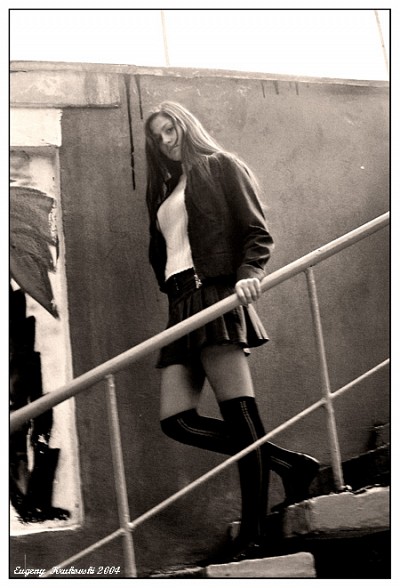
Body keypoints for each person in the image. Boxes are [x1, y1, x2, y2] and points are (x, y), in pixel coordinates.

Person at [144, 101, 319, 559]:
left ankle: (254, 533)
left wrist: (248, 274)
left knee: (241, 416)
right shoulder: (167, 188)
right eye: (158, 136)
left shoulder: (221, 166)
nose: (166, 140)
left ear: (186, 126)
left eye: (170, 129)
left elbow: (256, 231)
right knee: (177, 421)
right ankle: (291, 465)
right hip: (181, 305)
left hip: (214, 295)